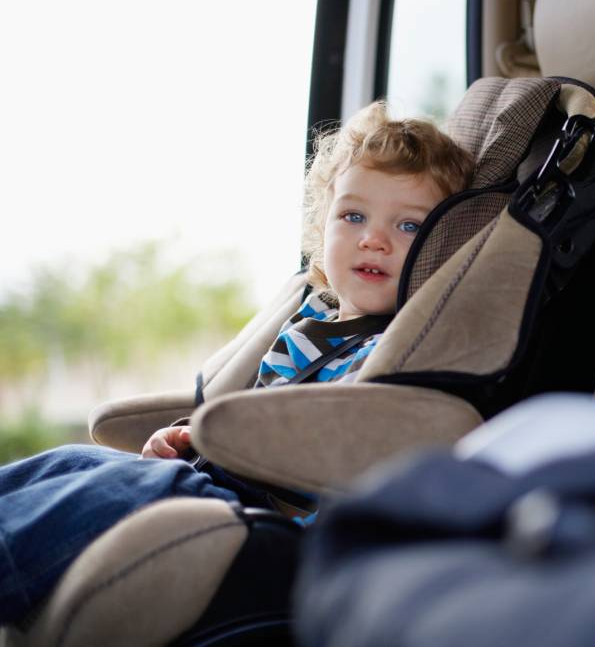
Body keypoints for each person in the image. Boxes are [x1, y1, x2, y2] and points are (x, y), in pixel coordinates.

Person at [0, 101, 475, 626]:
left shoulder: (391, 350)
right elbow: (258, 406)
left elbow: (327, 442)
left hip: (275, 528)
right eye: (353, 216)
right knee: (73, 462)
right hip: (222, 480)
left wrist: (222, 443)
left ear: (441, 248)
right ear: (323, 226)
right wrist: (187, 437)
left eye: (409, 226)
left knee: (130, 489)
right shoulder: (311, 317)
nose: (373, 238)